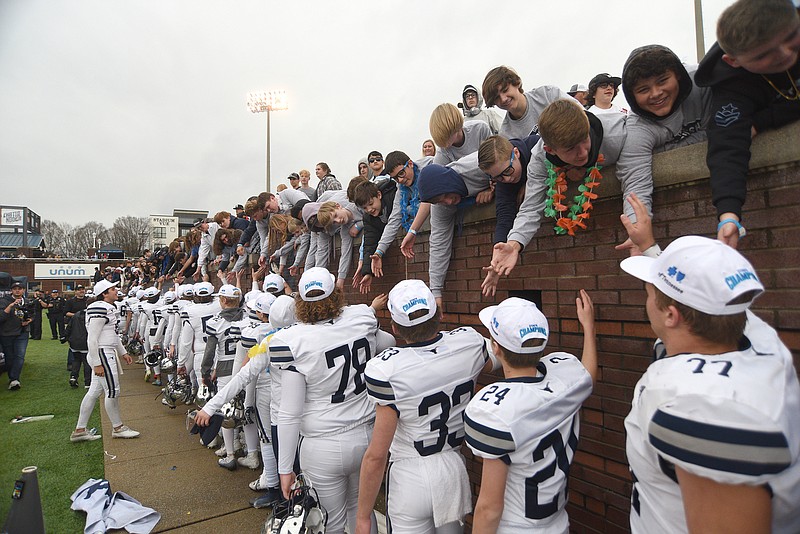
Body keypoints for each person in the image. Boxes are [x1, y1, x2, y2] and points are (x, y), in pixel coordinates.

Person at [620, 235, 800, 534]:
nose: (647, 298)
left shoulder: (700, 404)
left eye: (650, 292)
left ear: (671, 314)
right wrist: (652, 249)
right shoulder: (758, 338)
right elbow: (718, 301)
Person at [356, 280, 500, 534]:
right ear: (440, 314)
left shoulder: (387, 369)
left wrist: (363, 516)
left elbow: (377, 455)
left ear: (395, 328)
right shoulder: (468, 343)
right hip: (453, 468)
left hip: (410, 476)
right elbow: (502, 359)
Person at [271, 267, 395, 534]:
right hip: (368, 436)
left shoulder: (293, 340)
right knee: (362, 512)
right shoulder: (360, 317)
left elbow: (289, 413)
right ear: (336, 294)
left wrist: (284, 468)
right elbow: (389, 342)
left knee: (331, 523)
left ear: (300, 302)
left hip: (323, 443)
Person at [465, 293, 597, 533]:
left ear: (496, 348)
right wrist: (589, 327)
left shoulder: (494, 409)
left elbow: (489, 508)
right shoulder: (568, 378)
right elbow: (587, 374)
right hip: (557, 523)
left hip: (516, 527)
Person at [486, 99, 627, 294]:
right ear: (550, 150)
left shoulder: (621, 131)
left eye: (584, 140)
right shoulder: (539, 159)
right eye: (570, 149)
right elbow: (530, 207)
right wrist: (513, 243)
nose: (583, 152)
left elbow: (636, 178)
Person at [695, 0, 800, 248]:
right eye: (766, 54)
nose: (786, 53)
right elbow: (727, 147)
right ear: (733, 61)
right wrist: (728, 216)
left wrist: (764, 120)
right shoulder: (731, 87)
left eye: (792, 37)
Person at [615, 44, 710, 228]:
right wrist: (637, 229)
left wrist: (662, 149)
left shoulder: (703, 83)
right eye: (643, 90)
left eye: (663, 81)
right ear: (632, 96)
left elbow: (720, 130)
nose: (656, 94)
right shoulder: (637, 127)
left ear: (678, 75)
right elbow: (635, 182)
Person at [70, 280, 140, 442]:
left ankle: (80, 430)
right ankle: (118, 427)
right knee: (113, 391)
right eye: (113, 289)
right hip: (101, 353)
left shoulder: (106, 307)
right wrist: (97, 363)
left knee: (94, 392)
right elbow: (92, 339)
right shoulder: (98, 307)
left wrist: (122, 352)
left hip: (104, 352)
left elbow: (112, 334)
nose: (116, 291)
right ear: (104, 293)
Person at [482, 65, 569, 139]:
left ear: (517, 83)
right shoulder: (506, 135)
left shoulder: (549, 95)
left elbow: (580, 115)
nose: (503, 99)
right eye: (497, 97)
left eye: (505, 90)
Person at [0, 281, 33, 390]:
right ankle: (13, 377)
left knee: (20, 356)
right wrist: (10, 306)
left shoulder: (27, 301)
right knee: (9, 358)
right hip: (7, 333)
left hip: (22, 332)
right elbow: (1, 317)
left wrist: (29, 320)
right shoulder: (4, 301)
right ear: (11, 290)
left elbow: (34, 314)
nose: (17, 290)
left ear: (23, 290)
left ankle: (14, 379)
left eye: (20, 288)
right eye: (15, 288)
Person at [64, 306, 91, 389]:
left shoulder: (76, 314)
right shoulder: (91, 316)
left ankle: (73, 377)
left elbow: (69, 327)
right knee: (87, 363)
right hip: (85, 342)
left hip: (74, 342)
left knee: (76, 360)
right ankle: (87, 382)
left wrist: (66, 337)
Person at [64, 284, 89, 370]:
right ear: (75, 292)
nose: (81, 291)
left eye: (82, 289)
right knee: (73, 342)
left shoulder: (88, 300)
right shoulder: (70, 301)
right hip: (73, 325)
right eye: (79, 290)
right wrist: (77, 315)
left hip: (85, 325)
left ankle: (86, 362)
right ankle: (71, 362)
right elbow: (66, 312)